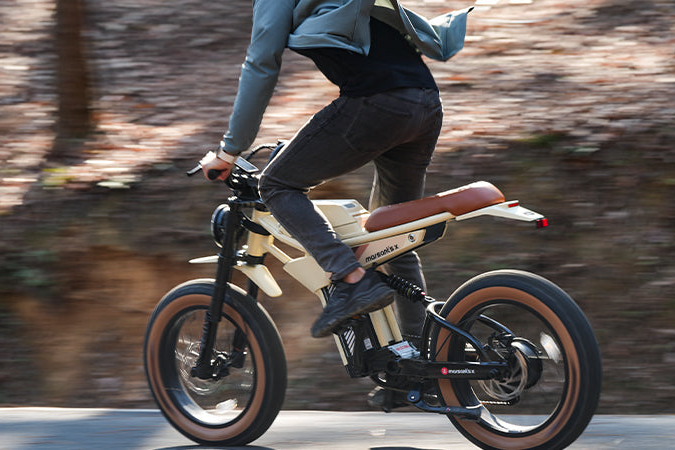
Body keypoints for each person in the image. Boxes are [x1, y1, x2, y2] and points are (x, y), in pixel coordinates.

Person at [200, 0, 471, 342]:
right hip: (425, 103)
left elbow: (262, 62)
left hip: (379, 103)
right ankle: (418, 361)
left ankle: (350, 279)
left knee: (278, 184)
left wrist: (229, 150)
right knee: (392, 233)